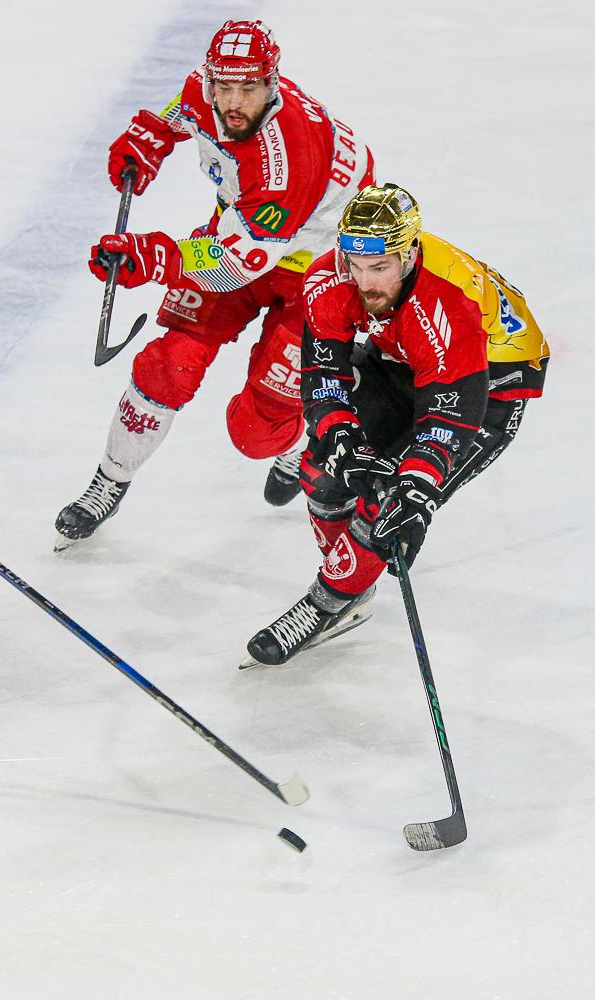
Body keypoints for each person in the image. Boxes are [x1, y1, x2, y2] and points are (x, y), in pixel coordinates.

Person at [54, 18, 376, 549]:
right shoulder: (204, 90)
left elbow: (235, 264)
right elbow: (181, 113)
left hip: (317, 273)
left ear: (272, 83)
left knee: (255, 432)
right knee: (168, 363)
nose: (233, 102)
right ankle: (109, 480)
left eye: (248, 88)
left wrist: (155, 258)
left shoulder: (289, 159)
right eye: (223, 86)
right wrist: (152, 136)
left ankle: (303, 432)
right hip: (244, 235)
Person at [243, 183, 550, 667]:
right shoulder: (329, 277)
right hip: (402, 357)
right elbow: (323, 371)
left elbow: (448, 417)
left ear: (408, 257)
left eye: (380, 267)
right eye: (356, 264)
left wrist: (417, 486)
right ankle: (350, 585)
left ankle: (328, 601)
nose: (365, 282)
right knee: (323, 470)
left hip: (489, 382)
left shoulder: (447, 303)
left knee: (390, 502)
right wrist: (339, 433)